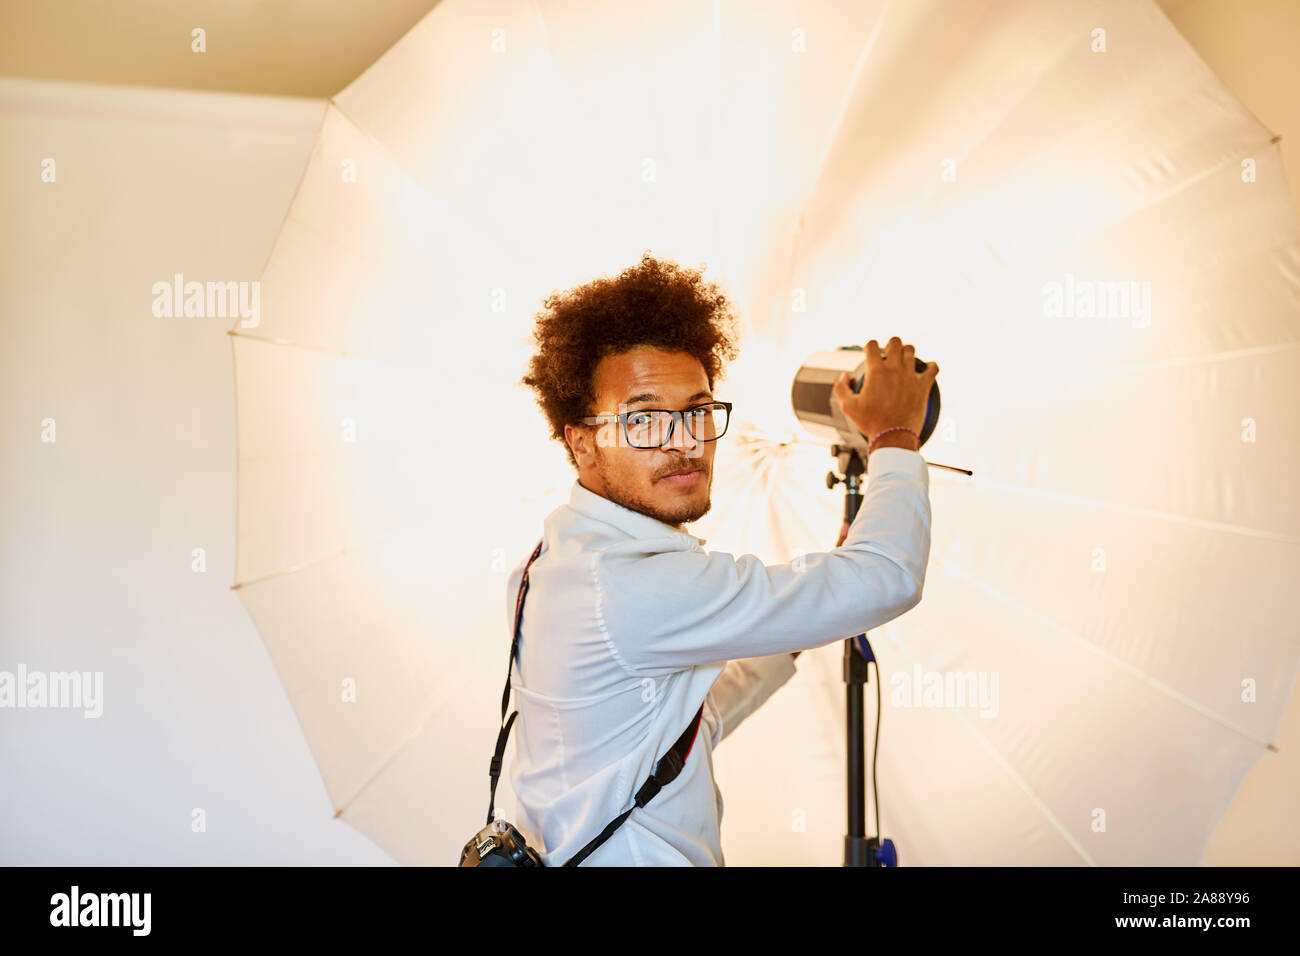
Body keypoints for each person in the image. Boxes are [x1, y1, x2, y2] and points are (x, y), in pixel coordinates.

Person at [509, 251, 937, 865]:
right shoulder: (630, 583)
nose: (684, 442)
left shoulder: (552, 559)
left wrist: (792, 626)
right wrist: (894, 434)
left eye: (697, 410)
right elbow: (888, 576)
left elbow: (669, 726)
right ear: (583, 443)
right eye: (644, 420)